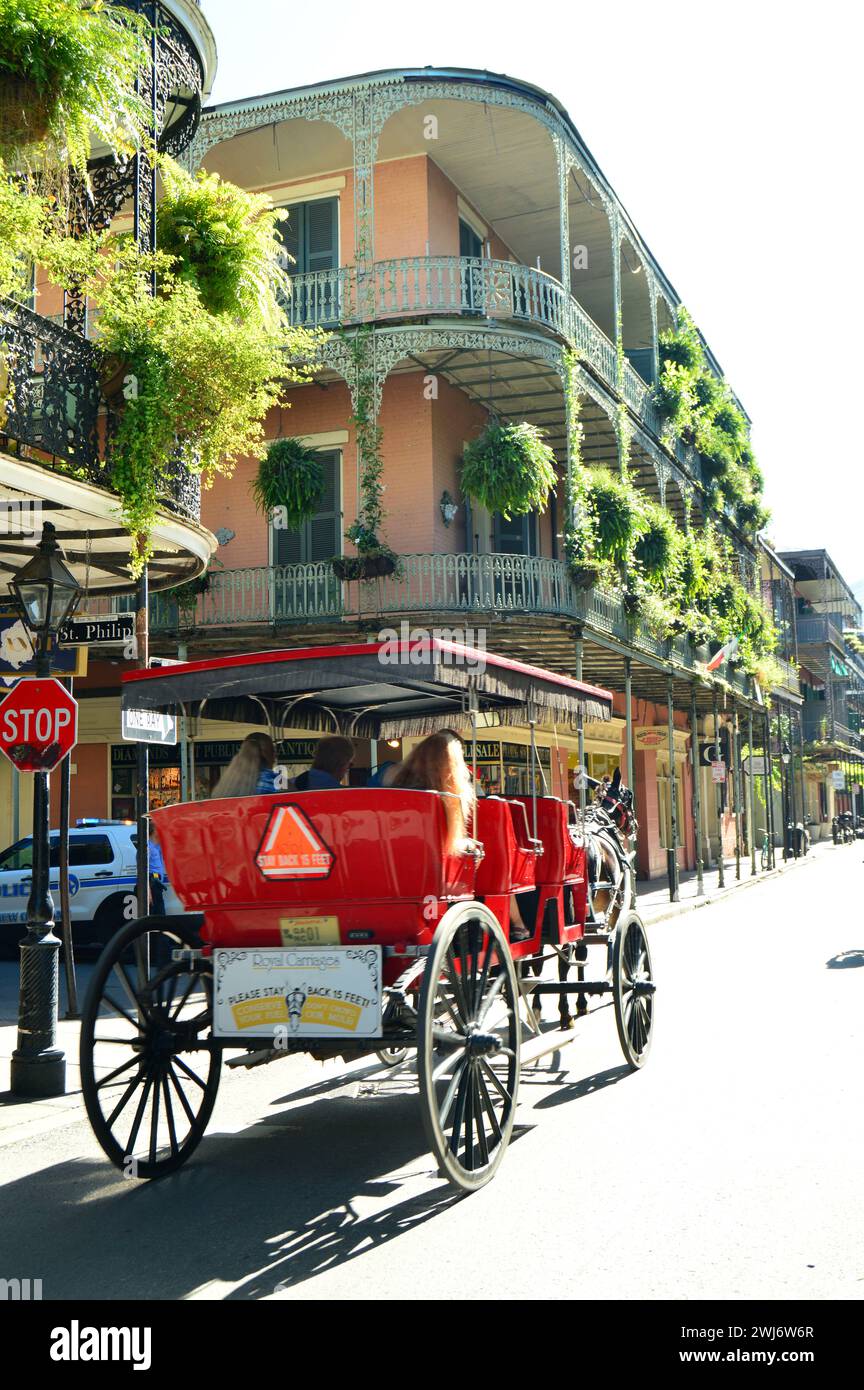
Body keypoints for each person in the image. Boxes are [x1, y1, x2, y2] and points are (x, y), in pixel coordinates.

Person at [392, 730, 531, 942]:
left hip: (399, 872)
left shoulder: (399, 790)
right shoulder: (443, 797)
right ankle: (503, 925)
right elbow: (448, 844)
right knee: (481, 853)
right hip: (433, 874)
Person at [212, 732, 278, 798]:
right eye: (273, 752)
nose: (275, 757)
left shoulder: (226, 784)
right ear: (269, 754)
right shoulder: (271, 782)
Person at [148, 824, 167, 916]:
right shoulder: (147, 848)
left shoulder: (157, 846)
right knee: (157, 913)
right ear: (154, 831)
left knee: (159, 912)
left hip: (157, 884)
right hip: (152, 883)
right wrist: (148, 892)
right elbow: (142, 870)